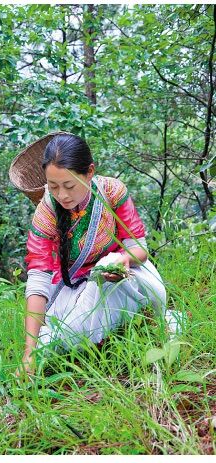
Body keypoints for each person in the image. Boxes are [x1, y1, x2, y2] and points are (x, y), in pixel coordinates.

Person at [15, 133, 166, 377]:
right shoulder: (47, 211)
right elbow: (39, 278)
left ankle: (125, 326)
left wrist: (122, 260)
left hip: (122, 275)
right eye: (53, 187)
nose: (62, 195)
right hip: (75, 286)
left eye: (70, 185)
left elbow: (139, 247)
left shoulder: (112, 193)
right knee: (61, 339)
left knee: (123, 287)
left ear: (90, 172)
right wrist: (29, 351)